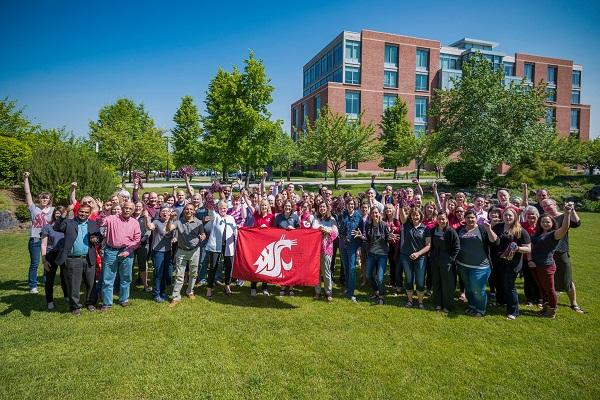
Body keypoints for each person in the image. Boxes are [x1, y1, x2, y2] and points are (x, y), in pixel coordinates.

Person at [53, 204, 102, 316]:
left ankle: (90, 302)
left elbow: (100, 237)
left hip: (88, 258)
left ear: (89, 214)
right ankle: (75, 306)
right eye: (81, 211)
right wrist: (64, 214)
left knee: (91, 283)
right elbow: (57, 227)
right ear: (77, 211)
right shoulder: (69, 222)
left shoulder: (93, 224)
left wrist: (96, 239)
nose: (83, 214)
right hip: (73, 259)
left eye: (86, 212)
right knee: (74, 284)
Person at [530, 203, 574, 318]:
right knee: (542, 288)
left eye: (548, 222)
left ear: (552, 223)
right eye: (543, 222)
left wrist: (567, 214)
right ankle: (545, 308)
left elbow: (564, 228)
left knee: (550, 289)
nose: (545, 223)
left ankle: (552, 311)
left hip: (547, 265)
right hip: (536, 264)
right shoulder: (537, 234)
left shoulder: (553, 234)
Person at [96, 201, 141, 311]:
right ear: (122, 208)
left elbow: (137, 240)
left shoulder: (135, 223)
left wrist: (128, 251)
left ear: (133, 211)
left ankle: (124, 299)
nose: (127, 210)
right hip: (111, 251)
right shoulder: (112, 218)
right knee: (108, 278)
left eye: (130, 209)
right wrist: (104, 211)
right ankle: (107, 303)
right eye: (125, 208)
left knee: (126, 277)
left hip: (127, 252)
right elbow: (100, 222)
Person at [541, 198, 584, 313]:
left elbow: (577, 223)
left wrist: (571, 211)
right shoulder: (544, 218)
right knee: (550, 279)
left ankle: (574, 303)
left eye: (548, 205)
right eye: (544, 206)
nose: (546, 207)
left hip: (561, 251)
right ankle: (551, 303)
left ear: (555, 204)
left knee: (567, 278)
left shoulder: (564, 215)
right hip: (547, 253)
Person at [456, 210, 498, 317]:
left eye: (472, 217)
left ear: (476, 218)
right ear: (464, 219)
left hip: (480, 267)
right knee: (469, 288)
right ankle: (472, 306)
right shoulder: (460, 229)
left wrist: (489, 229)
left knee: (478, 289)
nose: (470, 219)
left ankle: (480, 309)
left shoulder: (482, 229)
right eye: (468, 217)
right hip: (463, 265)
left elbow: (495, 241)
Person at [491, 208, 531, 320]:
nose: (508, 217)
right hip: (498, 261)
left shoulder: (520, 231)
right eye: (506, 215)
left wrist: (517, 248)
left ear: (515, 217)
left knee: (509, 286)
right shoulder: (498, 227)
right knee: (498, 283)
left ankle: (513, 311)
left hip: (512, 263)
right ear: (502, 216)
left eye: (510, 215)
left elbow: (528, 249)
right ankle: (500, 301)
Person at [166, 203, 205, 306]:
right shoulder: (178, 221)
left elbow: (202, 233)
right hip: (181, 251)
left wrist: (203, 236)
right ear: (184, 211)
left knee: (193, 273)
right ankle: (176, 297)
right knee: (179, 275)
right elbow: (168, 229)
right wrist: (170, 219)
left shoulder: (198, 222)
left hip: (194, 251)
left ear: (194, 211)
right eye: (187, 209)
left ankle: (190, 291)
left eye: (191, 209)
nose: (189, 211)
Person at [23, 172, 55, 293]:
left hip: (49, 240)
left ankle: (46, 281)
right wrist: (26, 178)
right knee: (35, 263)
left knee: (48, 262)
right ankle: (32, 285)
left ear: (49, 200)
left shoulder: (53, 210)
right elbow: (27, 193)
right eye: (42, 197)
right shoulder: (34, 208)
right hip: (35, 239)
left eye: (46, 198)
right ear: (39, 199)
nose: (44, 199)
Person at [361, 207, 396, 305]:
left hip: (382, 255)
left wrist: (390, 237)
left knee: (380, 278)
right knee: (368, 275)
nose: (374, 215)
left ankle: (381, 296)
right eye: (373, 213)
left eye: (376, 213)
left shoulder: (384, 225)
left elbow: (388, 237)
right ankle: (376, 291)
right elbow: (368, 240)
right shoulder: (368, 225)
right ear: (370, 215)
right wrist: (362, 237)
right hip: (371, 254)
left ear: (379, 214)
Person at [398, 206, 431, 309]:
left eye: (417, 215)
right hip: (406, 256)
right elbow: (402, 216)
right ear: (410, 216)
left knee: (420, 280)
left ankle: (420, 302)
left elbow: (428, 245)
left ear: (420, 216)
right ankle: (410, 300)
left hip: (420, 258)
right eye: (413, 215)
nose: (415, 217)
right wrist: (401, 205)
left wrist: (418, 254)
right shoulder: (406, 224)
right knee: (409, 279)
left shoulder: (425, 229)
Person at [427, 212, 460, 312]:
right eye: (439, 219)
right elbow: (430, 245)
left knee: (447, 284)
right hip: (435, 261)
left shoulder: (451, 231)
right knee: (436, 281)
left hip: (447, 262)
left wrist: (451, 259)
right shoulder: (433, 231)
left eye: (443, 219)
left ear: (446, 220)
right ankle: (438, 303)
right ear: (437, 219)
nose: (441, 221)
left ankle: (447, 305)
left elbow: (457, 247)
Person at [205, 201, 237, 299]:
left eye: (224, 208)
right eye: (221, 208)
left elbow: (235, 230)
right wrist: (210, 206)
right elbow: (211, 211)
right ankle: (209, 288)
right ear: (218, 209)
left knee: (229, 266)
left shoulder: (231, 218)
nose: (223, 210)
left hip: (228, 245)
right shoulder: (215, 216)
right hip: (216, 245)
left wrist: (237, 233)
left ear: (227, 209)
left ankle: (227, 285)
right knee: (213, 267)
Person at [40, 206, 68, 310]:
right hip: (51, 255)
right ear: (54, 214)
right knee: (49, 279)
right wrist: (44, 260)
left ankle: (67, 296)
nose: (59, 215)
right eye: (57, 213)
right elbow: (43, 244)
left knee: (65, 277)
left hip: (63, 254)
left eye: (61, 213)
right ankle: (50, 301)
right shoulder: (48, 227)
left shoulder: (67, 226)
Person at [145, 206, 174, 302]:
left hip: (168, 251)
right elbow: (150, 227)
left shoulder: (172, 222)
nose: (165, 213)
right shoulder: (157, 222)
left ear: (170, 213)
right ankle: (156, 294)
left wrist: (175, 238)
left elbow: (175, 234)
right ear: (160, 213)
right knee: (158, 273)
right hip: (158, 251)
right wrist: (146, 218)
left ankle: (162, 292)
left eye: (167, 211)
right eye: (163, 211)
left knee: (166, 273)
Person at [247, 198, 275, 296]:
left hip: (267, 245)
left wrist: (267, 229)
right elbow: (249, 205)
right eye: (262, 205)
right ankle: (253, 286)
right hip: (256, 244)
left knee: (266, 266)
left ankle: (264, 287)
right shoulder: (256, 215)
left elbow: (274, 230)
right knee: (256, 265)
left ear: (268, 206)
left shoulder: (272, 217)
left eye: (265, 205)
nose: (264, 207)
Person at [312, 202, 338, 301]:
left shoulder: (332, 219)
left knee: (326, 271)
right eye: (320, 207)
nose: (322, 208)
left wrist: (327, 231)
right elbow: (313, 229)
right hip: (316, 249)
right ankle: (317, 291)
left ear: (327, 208)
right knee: (317, 271)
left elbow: (335, 233)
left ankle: (328, 292)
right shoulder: (316, 219)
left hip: (327, 248)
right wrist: (320, 229)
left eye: (324, 207)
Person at [338, 197, 362, 302]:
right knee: (346, 267)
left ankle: (351, 293)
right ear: (346, 205)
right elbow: (339, 228)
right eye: (348, 204)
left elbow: (361, 232)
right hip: (343, 243)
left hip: (353, 244)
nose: (350, 205)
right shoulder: (342, 215)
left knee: (352, 268)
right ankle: (348, 288)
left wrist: (359, 246)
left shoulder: (358, 216)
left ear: (354, 205)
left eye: (352, 204)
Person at [275, 200, 300, 296]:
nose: (287, 208)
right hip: (281, 245)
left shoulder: (295, 217)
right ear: (283, 207)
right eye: (286, 206)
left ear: (292, 207)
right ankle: (282, 286)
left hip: (291, 245)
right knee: (282, 266)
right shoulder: (278, 217)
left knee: (291, 267)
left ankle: (291, 287)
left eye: (289, 206)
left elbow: (300, 231)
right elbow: (273, 230)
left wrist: (293, 229)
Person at [521, 206, 542, 306]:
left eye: (533, 214)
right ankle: (529, 298)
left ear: (537, 215)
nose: (530, 216)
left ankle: (540, 298)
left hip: (540, 257)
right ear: (525, 216)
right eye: (528, 214)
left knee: (539, 278)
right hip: (525, 257)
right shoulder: (522, 225)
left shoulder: (541, 225)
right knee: (528, 278)